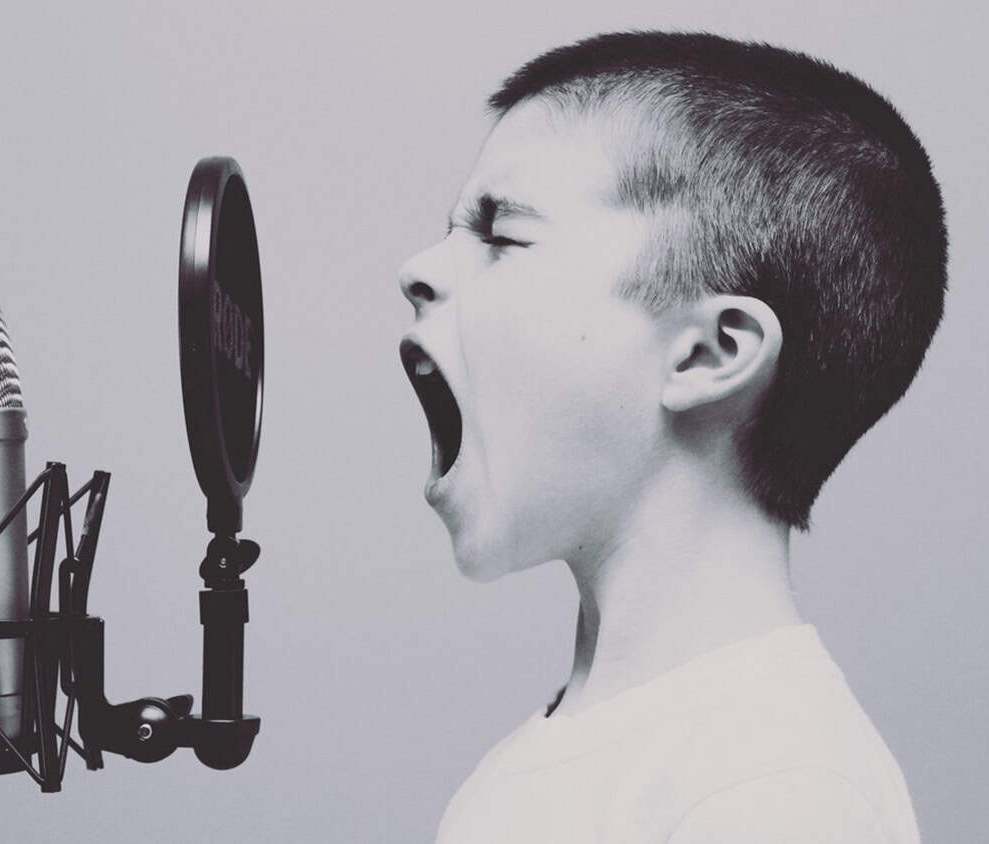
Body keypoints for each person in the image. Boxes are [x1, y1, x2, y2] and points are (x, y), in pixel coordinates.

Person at [397, 31, 944, 843]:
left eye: (503, 235)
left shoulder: (775, 792)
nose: (420, 269)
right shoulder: (565, 758)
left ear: (709, 352)